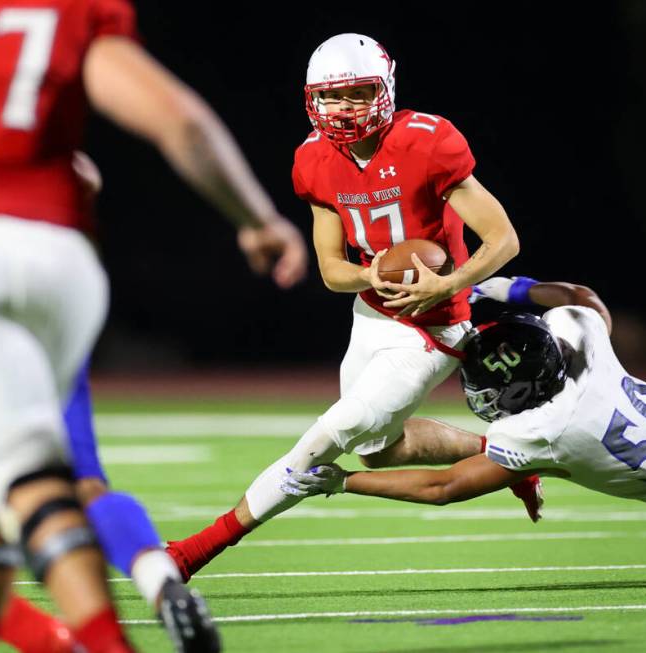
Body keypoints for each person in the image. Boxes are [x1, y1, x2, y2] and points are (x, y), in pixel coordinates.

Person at [0, 0, 308, 650]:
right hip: (61, 259)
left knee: (23, 485)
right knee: (35, 484)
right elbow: (181, 122)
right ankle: (99, 626)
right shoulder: (68, 12)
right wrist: (256, 219)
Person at [164, 33, 534, 581]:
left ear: (384, 90)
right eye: (332, 96)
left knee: (332, 433)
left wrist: (445, 283)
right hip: (372, 317)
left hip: (435, 327)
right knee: (381, 452)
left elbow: (503, 239)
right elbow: (333, 269)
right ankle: (506, 455)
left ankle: (196, 550)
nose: (344, 108)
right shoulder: (314, 159)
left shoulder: (428, 142)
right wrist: (372, 272)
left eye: (358, 93)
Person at [278, 279, 646, 533]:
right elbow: (578, 296)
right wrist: (486, 288)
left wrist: (345, 483)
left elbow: (443, 487)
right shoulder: (582, 342)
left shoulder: (544, 429)